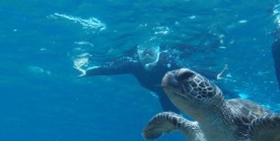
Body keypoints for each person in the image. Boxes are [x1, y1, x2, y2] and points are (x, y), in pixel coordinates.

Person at [79, 44, 229, 112]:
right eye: (143, 53)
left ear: (158, 52)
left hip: (179, 89)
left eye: (151, 52)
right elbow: (110, 69)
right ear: (137, 54)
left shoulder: (168, 64)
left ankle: (234, 94)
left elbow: (193, 71)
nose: (147, 56)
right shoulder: (133, 65)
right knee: (172, 119)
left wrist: (215, 75)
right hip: (162, 93)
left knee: (216, 94)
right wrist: (88, 72)